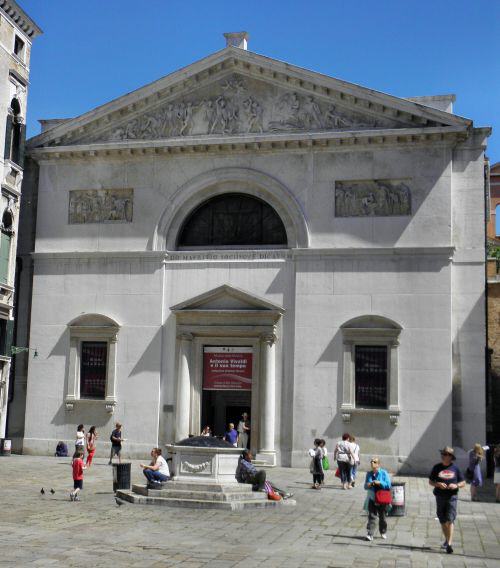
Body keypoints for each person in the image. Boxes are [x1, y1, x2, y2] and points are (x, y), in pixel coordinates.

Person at [429, 446, 465, 554]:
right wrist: (437, 484)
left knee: (450, 519)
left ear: (450, 457)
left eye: (446, 454)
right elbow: (430, 481)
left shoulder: (455, 468)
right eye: (443, 454)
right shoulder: (436, 467)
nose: (444, 456)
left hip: (451, 497)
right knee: (443, 520)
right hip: (440, 496)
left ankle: (449, 544)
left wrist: (456, 485)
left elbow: (463, 482)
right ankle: (447, 539)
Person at [364, 456, 392, 541]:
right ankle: (370, 534)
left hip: (381, 498)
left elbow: (388, 485)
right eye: (372, 462)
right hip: (372, 498)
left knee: (382, 517)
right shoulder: (369, 473)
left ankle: (383, 531)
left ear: (379, 464)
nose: (372, 463)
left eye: (375, 462)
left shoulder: (384, 473)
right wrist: (369, 484)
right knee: (372, 516)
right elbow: (365, 486)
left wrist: (379, 482)